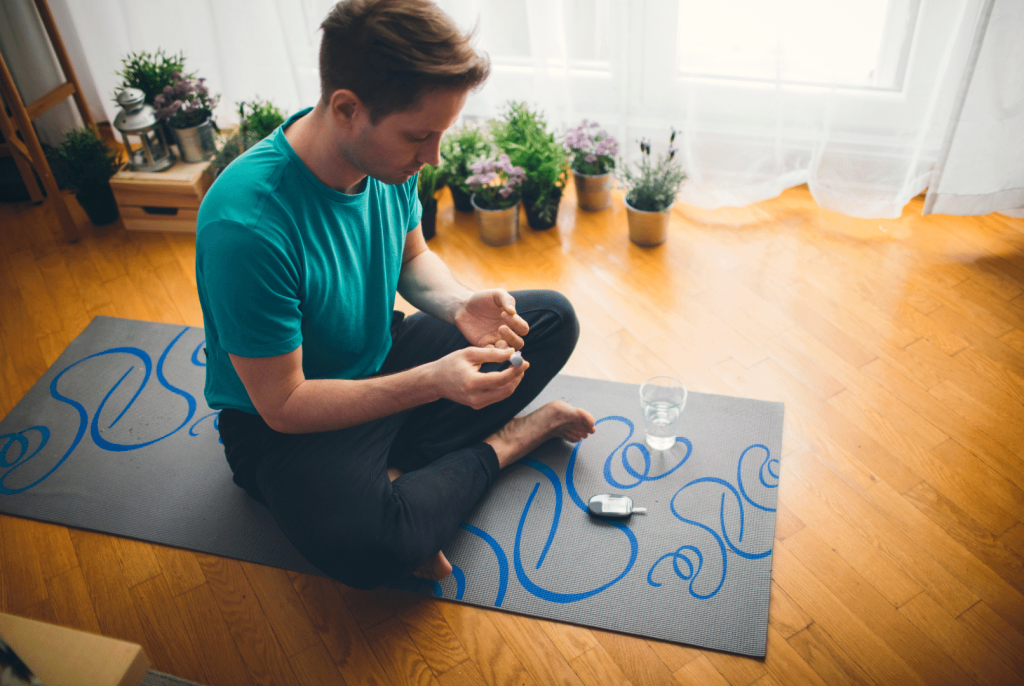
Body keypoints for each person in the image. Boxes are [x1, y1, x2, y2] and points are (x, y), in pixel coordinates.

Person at [195, 0, 595, 590]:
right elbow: (284, 404)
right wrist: (436, 380)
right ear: (347, 109)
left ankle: (404, 475)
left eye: (441, 134)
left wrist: (459, 305)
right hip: (286, 424)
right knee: (376, 544)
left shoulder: (386, 165)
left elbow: (411, 259)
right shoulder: (246, 226)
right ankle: (509, 442)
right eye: (419, 136)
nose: (433, 157)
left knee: (551, 319)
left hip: (382, 353)